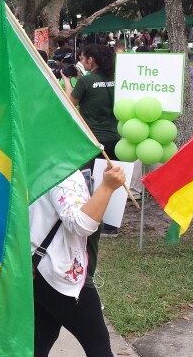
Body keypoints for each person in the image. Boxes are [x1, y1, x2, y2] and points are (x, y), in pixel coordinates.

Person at [31, 164, 126, 357]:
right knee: (97, 344)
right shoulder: (62, 170)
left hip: (36, 268)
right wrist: (106, 188)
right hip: (62, 275)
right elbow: (80, 224)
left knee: (40, 340)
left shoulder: (34, 164)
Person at [64, 43, 119, 239]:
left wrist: (67, 81)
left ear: (91, 60)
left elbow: (71, 105)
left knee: (86, 179)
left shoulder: (86, 82)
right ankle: (112, 225)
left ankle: (89, 219)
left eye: (82, 58)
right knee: (112, 179)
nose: (80, 62)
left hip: (92, 140)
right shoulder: (114, 79)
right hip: (115, 136)